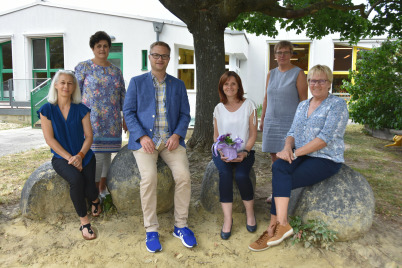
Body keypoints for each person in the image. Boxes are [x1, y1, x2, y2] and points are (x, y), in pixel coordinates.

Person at [249, 65, 349, 251]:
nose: (316, 84)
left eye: (321, 80)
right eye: (312, 80)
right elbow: (292, 131)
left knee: (283, 180)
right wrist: (287, 147)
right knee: (279, 167)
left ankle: (274, 228)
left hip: (325, 158)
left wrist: (295, 153)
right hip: (301, 154)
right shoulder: (303, 105)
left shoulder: (337, 105)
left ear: (329, 84)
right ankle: (280, 223)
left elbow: (324, 139)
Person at [123, 41, 197, 253]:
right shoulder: (136, 82)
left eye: (164, 56)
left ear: (169, 58)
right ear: (150, 57)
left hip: (170, 141)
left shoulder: (178, 85)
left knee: (183, 176)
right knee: (149, 178)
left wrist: (177, 134)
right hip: (145, 141)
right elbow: (128, 112)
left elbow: (185, 114)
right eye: (156, 55)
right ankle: (151, 229)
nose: (159, 59)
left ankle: (180, 226)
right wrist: (141, 136)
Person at [38, 70, 100, 240]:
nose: (66, 86)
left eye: (70, 83)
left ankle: (95, 200)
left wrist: (79, 156)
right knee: (76, 181)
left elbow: (89, 136)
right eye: (62, 82)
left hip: (85, 155)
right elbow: (49, 139)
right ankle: (84, 222)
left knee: (90, 190)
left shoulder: (81, 109)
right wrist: (70, 159)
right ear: (56, 85)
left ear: (74, 87)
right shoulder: (46, 110)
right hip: (61, 158)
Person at [75, 31, 126, 197]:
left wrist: (125, 117)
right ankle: (94, 190)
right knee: (96, 155)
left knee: (106, 155)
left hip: (111, 120)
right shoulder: (83, 68)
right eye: (99, 46)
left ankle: (103, 188)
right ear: (92, 48)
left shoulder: (116, 72)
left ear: (109, 48)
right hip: (91, 120)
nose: (102, 49)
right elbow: (76, 94)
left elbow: (122, 96)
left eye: (105, 46)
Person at [260, 41, 308, 203]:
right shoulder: (270, 74)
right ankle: (277, 193)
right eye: (279, 52)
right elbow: (266, 98)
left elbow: (303, 101)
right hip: (272, 122)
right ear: (275, 55)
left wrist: (302, 123)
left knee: (287, 159)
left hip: (290, 123)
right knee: (275, 159)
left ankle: (289, 193)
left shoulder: (298, 73)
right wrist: (262, 118)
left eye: (286, 52)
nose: (282, 55)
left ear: (291, 54)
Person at [212, 71, 258, 240]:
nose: (229, 87)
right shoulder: (218, 108)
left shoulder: (249, 105)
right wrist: (222, 151)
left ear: (238, 86)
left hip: (244, 151)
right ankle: (227, 219)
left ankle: (250, 214)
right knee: (224, 173)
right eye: (226, 84)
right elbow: (216, 135)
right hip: (223, 151)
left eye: (233, 83)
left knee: (241, 174)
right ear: (221, 87)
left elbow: (253, 134)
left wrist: (245, 152)